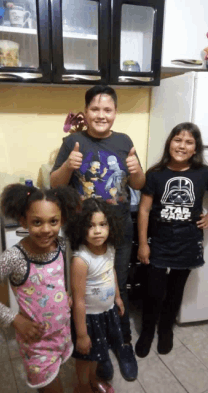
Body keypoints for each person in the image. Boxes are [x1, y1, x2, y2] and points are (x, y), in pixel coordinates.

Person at [51, 85, 145, 381]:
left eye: (107, 110)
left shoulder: (124, 141)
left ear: (115, 113)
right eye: (95, 109)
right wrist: (68, 165)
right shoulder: (73, 142)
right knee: (89, 291)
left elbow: (139, 184)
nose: (101, 115)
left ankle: (124, 342)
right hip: (85, 230)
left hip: (119, 227)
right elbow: (55, 184)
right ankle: (98, 348)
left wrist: (136, 169)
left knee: (119, 286)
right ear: (86, 111)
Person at [0, 183, 81, 392]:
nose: (46, 229)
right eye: (37, 222)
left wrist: (67, 293)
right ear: (23, 221)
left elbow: (59, 275)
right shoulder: (14, 257)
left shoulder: (61, 244)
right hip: (37, 344)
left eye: (53, 221)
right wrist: (15, 319)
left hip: (63, 334)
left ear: (62, 220)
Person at [136, 122, 208, 358]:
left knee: (176, 291)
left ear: (195, 148)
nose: (182, 145)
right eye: (178, 139)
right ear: (170, 143)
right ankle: (147, 331)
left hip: (188, 243)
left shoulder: (203, 173)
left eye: (189, 142)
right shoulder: (156, 174)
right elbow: (144, 210)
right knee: (153, 291)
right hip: (159, 243)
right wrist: (144, 243)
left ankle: (166, 330)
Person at [65, 198, 125, 393]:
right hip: (88, 319)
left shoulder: (110, 248)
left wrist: (117, 297)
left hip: (106, 313)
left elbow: (111, 272)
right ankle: (82, 387)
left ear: (110, 225)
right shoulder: (81, 260)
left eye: (102, 224)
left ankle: (92, 379)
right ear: (81, 229)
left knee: (97, 354)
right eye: (90, 226)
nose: (97, 231)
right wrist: (81, 335)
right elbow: (79, 300)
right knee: (85, 358)